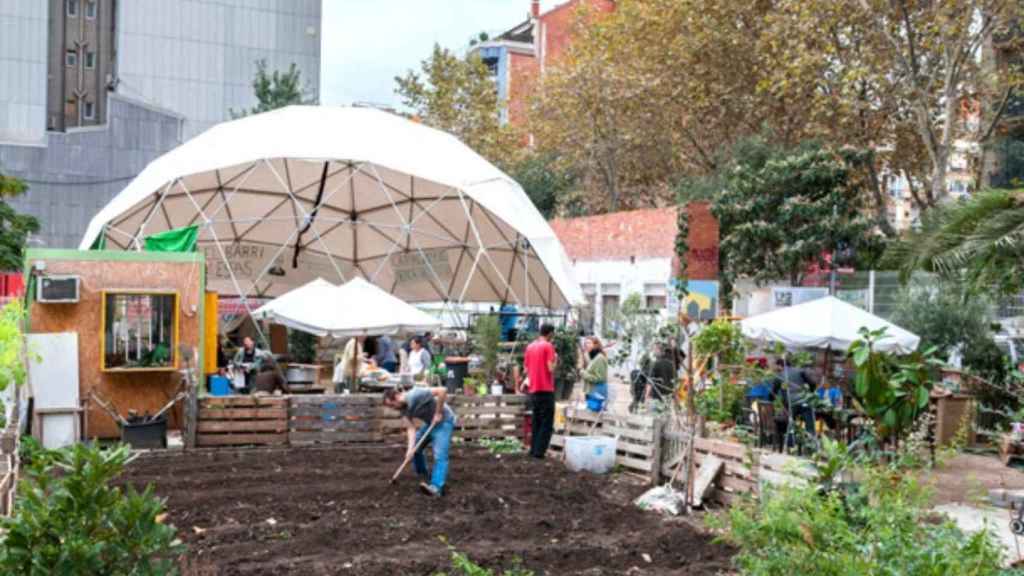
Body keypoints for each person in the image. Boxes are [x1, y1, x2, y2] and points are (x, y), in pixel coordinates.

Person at [382, 386, 456, 497]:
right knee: (416, 449)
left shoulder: (416, 394)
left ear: (397, 397)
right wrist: (410, 450)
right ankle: (423, 474)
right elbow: (411, 428)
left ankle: (436, 487)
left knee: (440, 455)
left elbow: (442, 390)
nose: (393, 408)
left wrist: (438, 413)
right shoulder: (403, 409)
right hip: (430, 423)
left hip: (444, 421)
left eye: (392, 405)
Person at [520, 324, 557, 459]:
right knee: (546, 422)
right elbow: (550, 368)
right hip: (546, 389)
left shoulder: (530, 347)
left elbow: (525, 369)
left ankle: (533, 449)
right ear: (550, 333)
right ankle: (539, 452)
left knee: (536, 421)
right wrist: (556, 360)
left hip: (533, 390)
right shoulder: (548, 346)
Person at [582, 337, 609, 412]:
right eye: (585, 343)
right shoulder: (593, 357)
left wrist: (583, 373)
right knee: (590, 418)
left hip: (596, 393)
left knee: (593, 418)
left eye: (589, 343)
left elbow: (600, 378)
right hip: (591, 392)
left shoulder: (599, 358)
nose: (586, 345)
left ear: (596, 345)